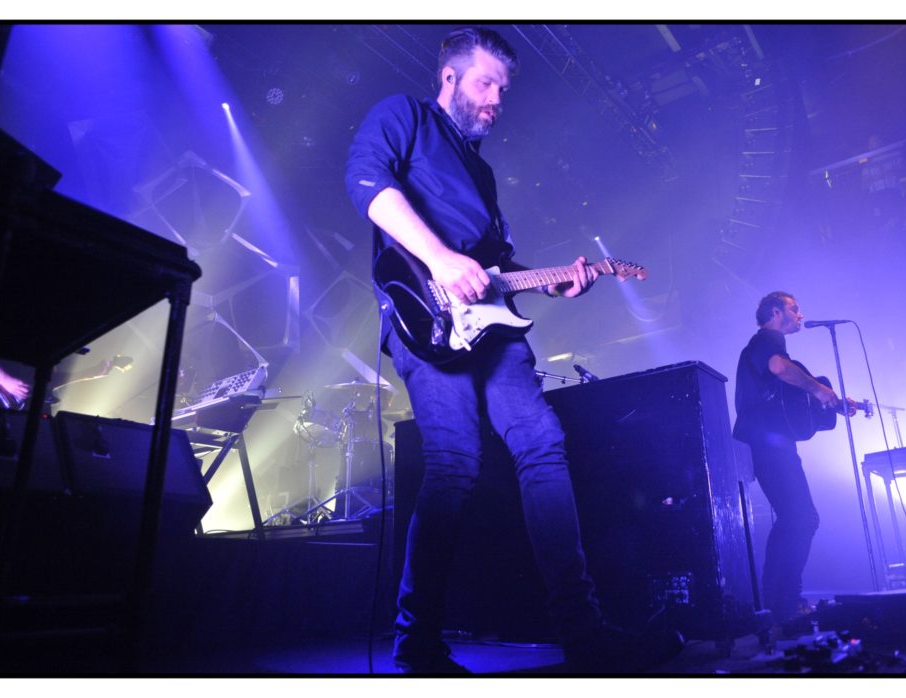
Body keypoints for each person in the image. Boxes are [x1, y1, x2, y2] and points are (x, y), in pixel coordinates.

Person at [345, 26, 677, 674]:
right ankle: (417, 644)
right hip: (424, 313)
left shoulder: (482, 172)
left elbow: (496, 267)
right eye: (486, 83)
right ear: (450, 77)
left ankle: (584, 632)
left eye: (504, 88)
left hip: (492, 327)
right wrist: (440, 259)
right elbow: (366, 181)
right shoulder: (404, 116)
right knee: (454, 463)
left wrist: (555, 282)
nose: (498, 98)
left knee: (543, 443)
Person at [732, 292, 855, 629]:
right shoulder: (766, 340)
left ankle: (777, 604)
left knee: (793, 518)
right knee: (802, 517)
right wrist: (818, 389)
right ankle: (783, 604)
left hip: (769, 442)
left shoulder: (768, 347)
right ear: (776, 312)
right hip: (767, 442)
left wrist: (835, 403)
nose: (800, 314)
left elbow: (790, 398)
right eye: (794, 308)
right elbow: (779, 368)